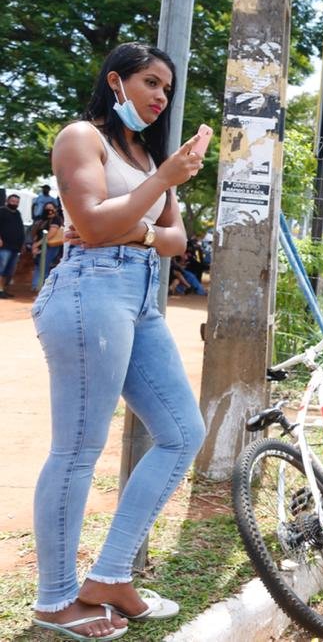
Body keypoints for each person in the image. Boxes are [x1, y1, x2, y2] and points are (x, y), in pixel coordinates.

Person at [31, 42, 207, 641]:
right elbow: (89, 224)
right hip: (88, 293)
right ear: (116, 81)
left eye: (167, 89)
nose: (161, 97)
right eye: (151, 83)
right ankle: (55, 600)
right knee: (79, 448)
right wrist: (148, 204)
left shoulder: (148, 153)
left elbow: (177, 240)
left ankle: (109, 577)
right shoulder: (83, 137)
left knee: (184, 433)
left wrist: (127, 224)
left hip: (139, 298)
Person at [29, 202, 64, 291]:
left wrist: (37, 244)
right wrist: (35, 245)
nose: (49, 211)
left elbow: (50, 234)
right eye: (47, 208)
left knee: (44, 266)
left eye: (51, 208)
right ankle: (36, 286)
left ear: (55, 209)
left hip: (50, 246)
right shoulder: (42, 220)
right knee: (38, 265)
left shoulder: (56, 220)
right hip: (40, 245)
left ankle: (43, 288)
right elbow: (37, 233)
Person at [0, 192, 26, 298]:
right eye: (12, 201)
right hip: (4, 246)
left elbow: (20, 229)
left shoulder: (17, 213)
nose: (14, 203)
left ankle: (4, 290)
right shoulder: (1, 211)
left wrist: (22, 244)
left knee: (9, 271)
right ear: (7, 201)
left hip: (15, 247)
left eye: (17, 202)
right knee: (1, 268)